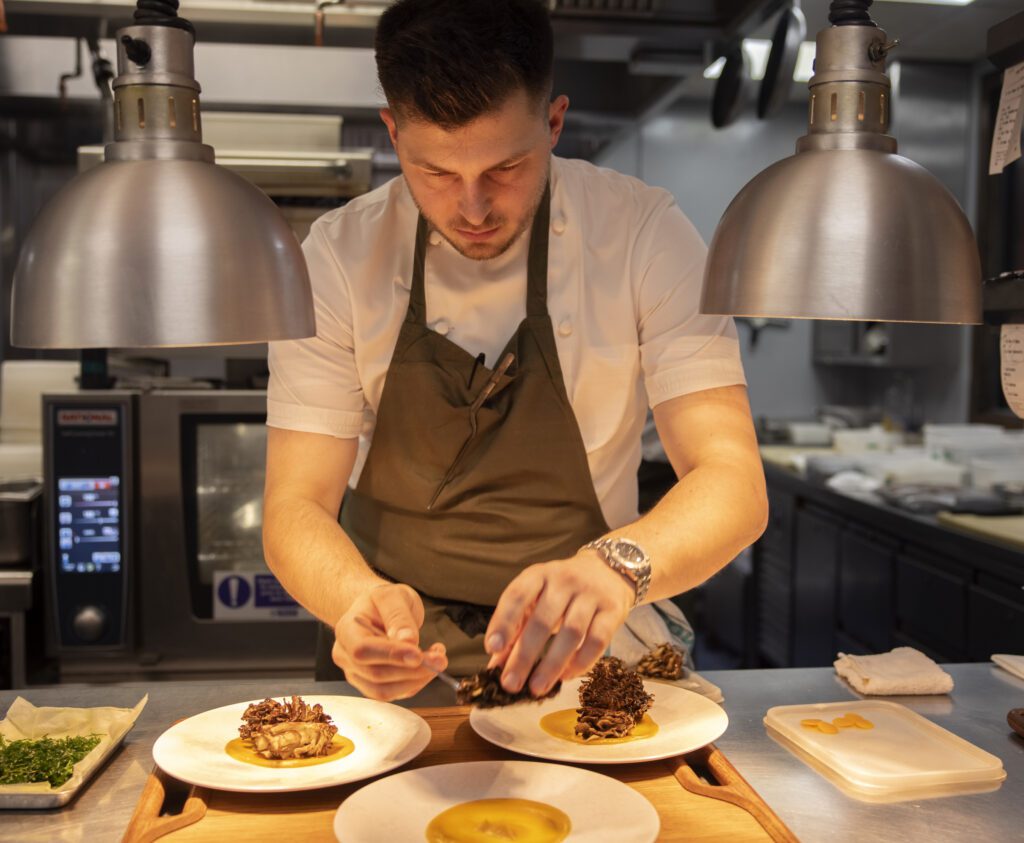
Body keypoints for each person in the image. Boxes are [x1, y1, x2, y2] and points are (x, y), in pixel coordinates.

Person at [263, 0, 767, 702]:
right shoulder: (338, 257)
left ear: (554, 121)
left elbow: (733, 480)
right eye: (434, 171)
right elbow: (294, 503)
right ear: (393, 132)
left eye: (506, 166)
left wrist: (616, 568)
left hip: (584, 662)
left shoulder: (644, 235)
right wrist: (356, 603)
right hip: (397, 669)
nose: (472, 207)